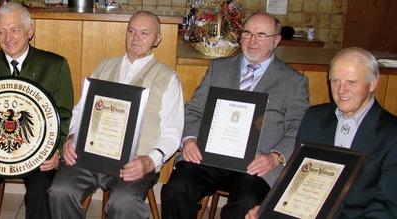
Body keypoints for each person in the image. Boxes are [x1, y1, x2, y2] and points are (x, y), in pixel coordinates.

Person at [161, 12, 311, 218]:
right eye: (247, 34)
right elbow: (193, 110)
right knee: (176, 189)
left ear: (276, 40)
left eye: (261, 35)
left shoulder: (293, 81)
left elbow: (299, 128)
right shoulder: (219, 68)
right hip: (209, 156)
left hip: (256, 164)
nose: (252, 41)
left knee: (246, 205)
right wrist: (189, 140)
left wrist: (275, 157)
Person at [48, 11, 185, 218]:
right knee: (60, 191)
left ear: (158, 39)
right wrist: (72, 137)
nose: (135, 37)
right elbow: (80, 110)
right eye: (131, 31)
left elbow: (172, 132)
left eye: (144, 33)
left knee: (124, 202)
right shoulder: (104, 66)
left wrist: (148, 161)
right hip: (91, 156)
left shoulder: (167, 78)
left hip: (134, 163)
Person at [246, 47, 397, 219]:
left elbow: (388, 207)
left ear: (373, 83)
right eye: (335, 81)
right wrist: (268, 208)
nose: (341, 90)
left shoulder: (391, 134)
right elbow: (295, 178)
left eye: (351, 82)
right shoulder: (314, 118)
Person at [0, 2, 73, 218]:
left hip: (38, 156)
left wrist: (56, 150)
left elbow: (64, 114)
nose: (7, 37)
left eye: (14, 29)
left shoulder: (55, 65)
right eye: (1, 31)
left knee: (41, 189)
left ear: (30, 31)